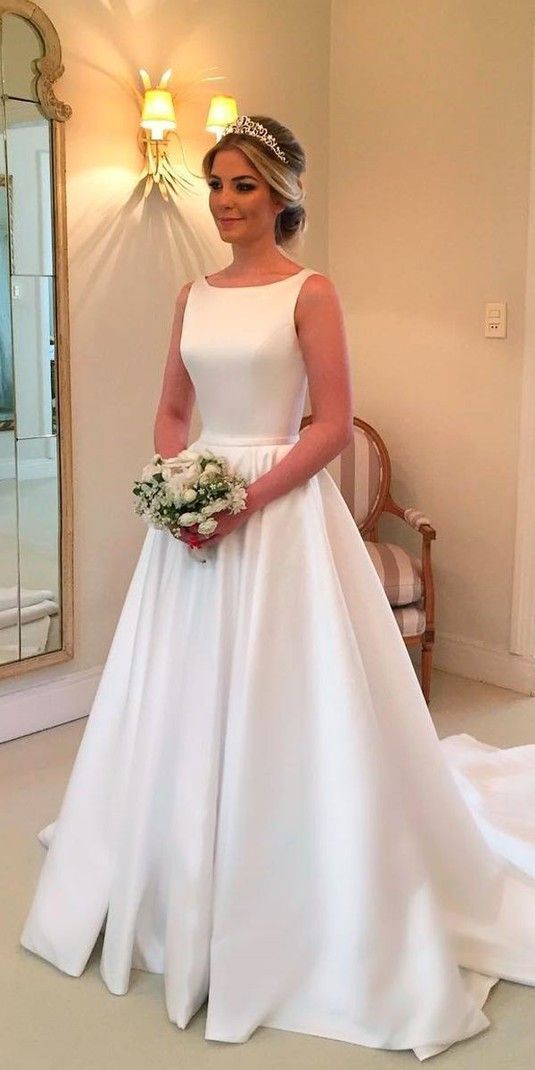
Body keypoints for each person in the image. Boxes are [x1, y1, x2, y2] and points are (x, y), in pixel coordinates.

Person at [20, 114, 535, 1061]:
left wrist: (241, 500)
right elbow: (174, 410)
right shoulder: (191, 295)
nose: (224, 202)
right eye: (215, 185)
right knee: (176, 696)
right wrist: (180, 489)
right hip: (196, 522)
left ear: (283, 194)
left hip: (280, 515)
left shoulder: (311, 291)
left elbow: (331, 424)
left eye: (243, 186)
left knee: (289, 698)